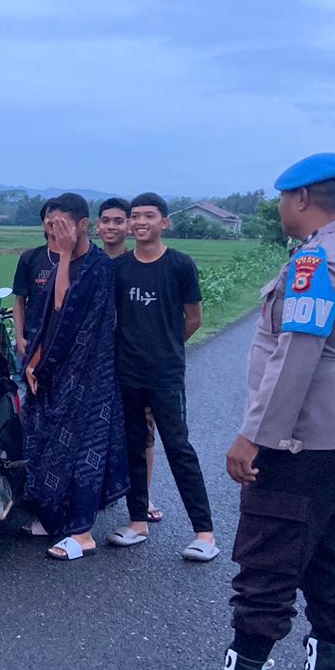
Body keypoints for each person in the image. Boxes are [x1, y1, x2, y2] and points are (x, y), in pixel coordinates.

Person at [170, 154, 335, 670]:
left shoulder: (319, 261)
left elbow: (296, 358)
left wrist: (255, 437)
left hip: (303, 441)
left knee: (267, 558)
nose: (283, 207)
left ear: (304, 198)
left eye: (285, 198)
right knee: (331, 555)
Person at [107, 192, 217, 561]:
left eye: (149, 216)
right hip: (127, 373)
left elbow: (194, 318)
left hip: (165, 374)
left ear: (164, 222)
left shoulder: (180, 265)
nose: (140, 222)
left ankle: (204, 534)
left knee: (179, 449)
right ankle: (137, 522)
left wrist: (166, 346)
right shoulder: (120, 268)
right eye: (135, 216)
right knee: (134, 448)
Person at [22, 192, 129, 561]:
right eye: (51, 225)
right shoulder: (58, 263)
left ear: (83, 225)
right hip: (54, 371)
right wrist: (34, 362)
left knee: (84, 450)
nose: (55, 232)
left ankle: (82, 533)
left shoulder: (98, 266)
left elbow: (63, 305)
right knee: (48, 444)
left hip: (88, 375)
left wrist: (65, 255)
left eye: (62, 225)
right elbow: (46, 321)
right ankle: (56, 520)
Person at [97, 195, 162, 520]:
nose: (112, 227)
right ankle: (98, 491)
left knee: (142, 431)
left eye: (119, 221)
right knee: (96, 428)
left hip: (135, 362)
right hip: (96, 361)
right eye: (106, 220)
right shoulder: (90, 263)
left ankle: (143, 498)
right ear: (96, 226)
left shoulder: (140, 263)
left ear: (129, 226)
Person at [12, 197, 58, 365]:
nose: (54, 221)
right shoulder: (30, 258)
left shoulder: (82, 259)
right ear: (43, 222)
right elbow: (19, 301)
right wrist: (19, 338)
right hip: (32, 340)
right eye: (50, 216)